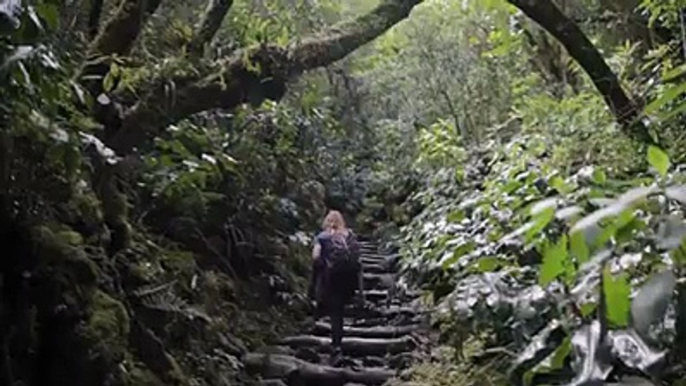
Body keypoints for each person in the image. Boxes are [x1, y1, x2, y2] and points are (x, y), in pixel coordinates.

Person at [309, 210, 364, 363]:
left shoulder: (322, 237)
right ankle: (337, 344)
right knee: (338, 311)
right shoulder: (350, 236)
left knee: (335, 314)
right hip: (347, 281)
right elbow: (358, 260)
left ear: (326, 221)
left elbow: (315, 257)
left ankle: (336, 346)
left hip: (330, 280)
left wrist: (320, 271)